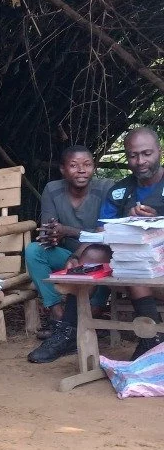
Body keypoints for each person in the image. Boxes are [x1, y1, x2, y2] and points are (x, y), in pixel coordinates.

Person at [24, 146, 110, 341]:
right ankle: (58, 316)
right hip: (66, 257)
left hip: (98, 258)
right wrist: (51, 235)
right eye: (74, 165)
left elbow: (104, 235)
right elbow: (50, 227)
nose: (81, 170)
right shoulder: (52, 189)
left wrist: (68, 231)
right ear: (63, 169)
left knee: (109, 260)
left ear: (94, 167)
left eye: (87, 164)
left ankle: (88, 317)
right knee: (34, 251)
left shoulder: (105, 188)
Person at [95, 127, 162, 359]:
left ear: (159, 151)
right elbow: (101, 229)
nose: (140, 161)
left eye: (146, 153)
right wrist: (130, 224)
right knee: (130, 260)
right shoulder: (120, 191)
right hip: (139, 268)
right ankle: (151, 338)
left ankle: (152, 339)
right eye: (133, 155)